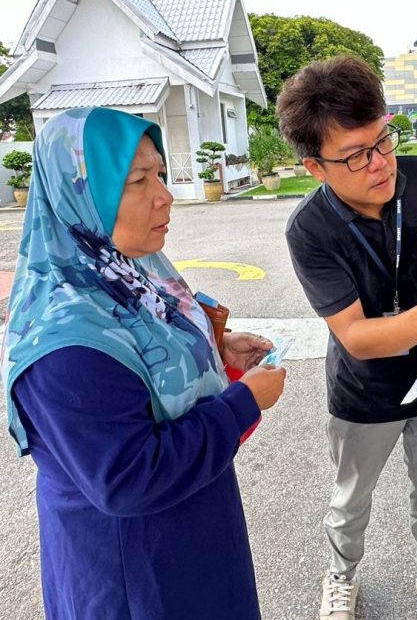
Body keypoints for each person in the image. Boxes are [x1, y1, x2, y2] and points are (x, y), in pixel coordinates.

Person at [1, 107, 286, 620]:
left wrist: (216, 356)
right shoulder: (66, 338)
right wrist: (242, 403)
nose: (165, 194)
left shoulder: (123, 272)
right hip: (134, 573)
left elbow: (147, 363)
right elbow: (129, 478)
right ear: (81, 191)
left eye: (159, 173)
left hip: (190, 528)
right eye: (137, 180)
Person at [278, 56, 417, 620]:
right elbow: (357, 337)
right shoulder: (309, 230)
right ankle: (341, 575)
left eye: (384, 141)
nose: (380, 164)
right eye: (355, 156)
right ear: (316, 167)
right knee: (350, 501)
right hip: (364, 392)